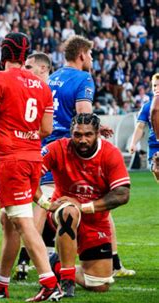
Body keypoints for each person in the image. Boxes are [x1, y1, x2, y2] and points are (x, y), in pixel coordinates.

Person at [0, 32, 62, 302]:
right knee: (8, 221)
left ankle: (50, 283)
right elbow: (46, 129)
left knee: (22, 221)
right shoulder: (43, 86)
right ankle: (0, 284)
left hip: (12, 161)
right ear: (24, 54)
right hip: (33, 159)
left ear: (3, 53)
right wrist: (25, 134)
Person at [44, 35, 133, 277]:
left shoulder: (53, 78)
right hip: (73, 149)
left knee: (53, 206)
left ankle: (40, 259)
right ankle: (113, 262)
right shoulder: (83, 78)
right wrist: (96, 129)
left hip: (50, 146)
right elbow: (84, 113)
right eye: (91, 55)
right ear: (82, 54)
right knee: (100, 201)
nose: (92, 59)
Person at [40, 113, 130, 296]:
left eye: (88, 135)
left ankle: (56, 264)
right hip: (63, 212)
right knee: (70, 212)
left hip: (96, 220)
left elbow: (122, 194)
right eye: (77, 135)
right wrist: (45, 203)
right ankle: (67, 282)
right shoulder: (56, 148)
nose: (82, 140)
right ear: (70, 133)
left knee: (100, 285)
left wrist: (84, 206)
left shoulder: (110, 153)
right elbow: (29, 174)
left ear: (97, 133)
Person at [15, 52, 56, 280]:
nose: (25, 71)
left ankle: (24, 260)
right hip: (33, 152)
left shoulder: (46, 91)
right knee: (39, 203)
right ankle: (47, 255)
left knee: (40, 205)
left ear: (43, 69)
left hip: (49, 153)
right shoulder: (33, 90)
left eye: (29, 67)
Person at [130, 74, 159, 177]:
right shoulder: (147, 107)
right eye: (154, 85)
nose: (156, 88)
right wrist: (133, 143)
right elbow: (140, 127)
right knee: (157, 170)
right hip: (155, 147)